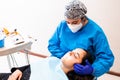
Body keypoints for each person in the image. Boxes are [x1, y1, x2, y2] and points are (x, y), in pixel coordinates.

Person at [48, 0, 114, 79]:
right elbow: (52, 45)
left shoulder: (95, 32)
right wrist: (65, 57)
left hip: (80, 73)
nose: (70, 25)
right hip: (60, 64)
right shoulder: (63, 25)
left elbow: (106, 58)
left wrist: (93, 69)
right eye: (68, 22)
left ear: (83, 18)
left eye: (75, 22)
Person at [0, 48, 94, 80]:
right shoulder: (53, 60)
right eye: (72, 51)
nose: (70, 52)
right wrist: (18, 70)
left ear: (80, 66)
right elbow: (32, 66)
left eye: (75, 55)